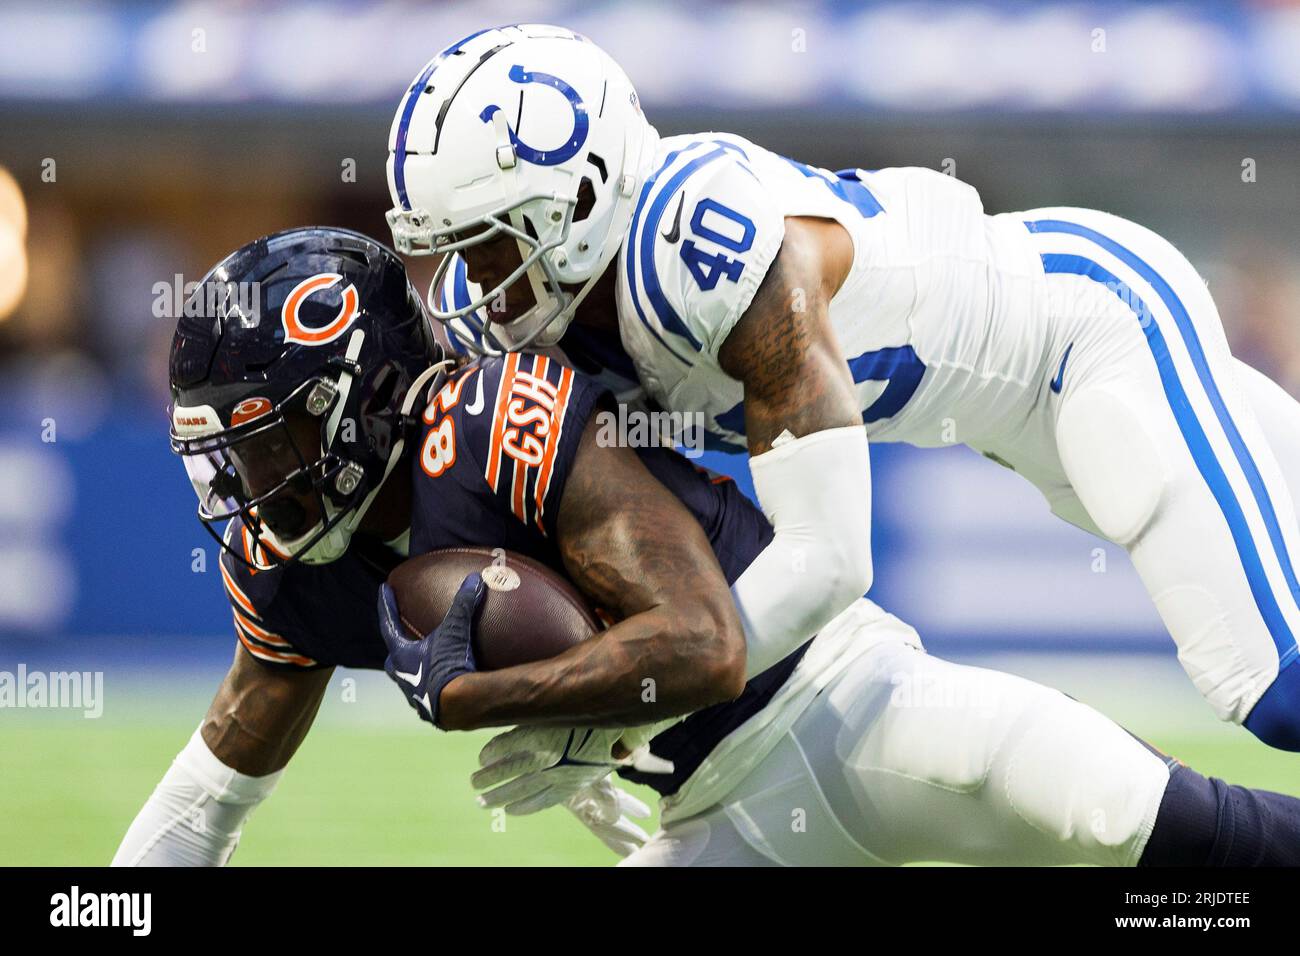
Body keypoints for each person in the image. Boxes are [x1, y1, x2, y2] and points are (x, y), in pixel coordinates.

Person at [113, 226, 1299, 866]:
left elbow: (707, 639)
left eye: (266, 447)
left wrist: (500, 696)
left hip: (847, 703)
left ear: (362, 396)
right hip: (709, 821)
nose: (246, 490)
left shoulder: (493, 424)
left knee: (1139, 826)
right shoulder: (285, 564)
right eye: (228, 457)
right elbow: (206, 802)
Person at [386, 23, 1300, 750]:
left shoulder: (700, 250)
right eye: (456, 246)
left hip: (1094, 333)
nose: (474, 276)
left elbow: (828, 560)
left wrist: (618, 707)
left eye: (491, 238)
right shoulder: (533, 308)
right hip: (1009, 419)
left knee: (1270, 688)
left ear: (579, 202)